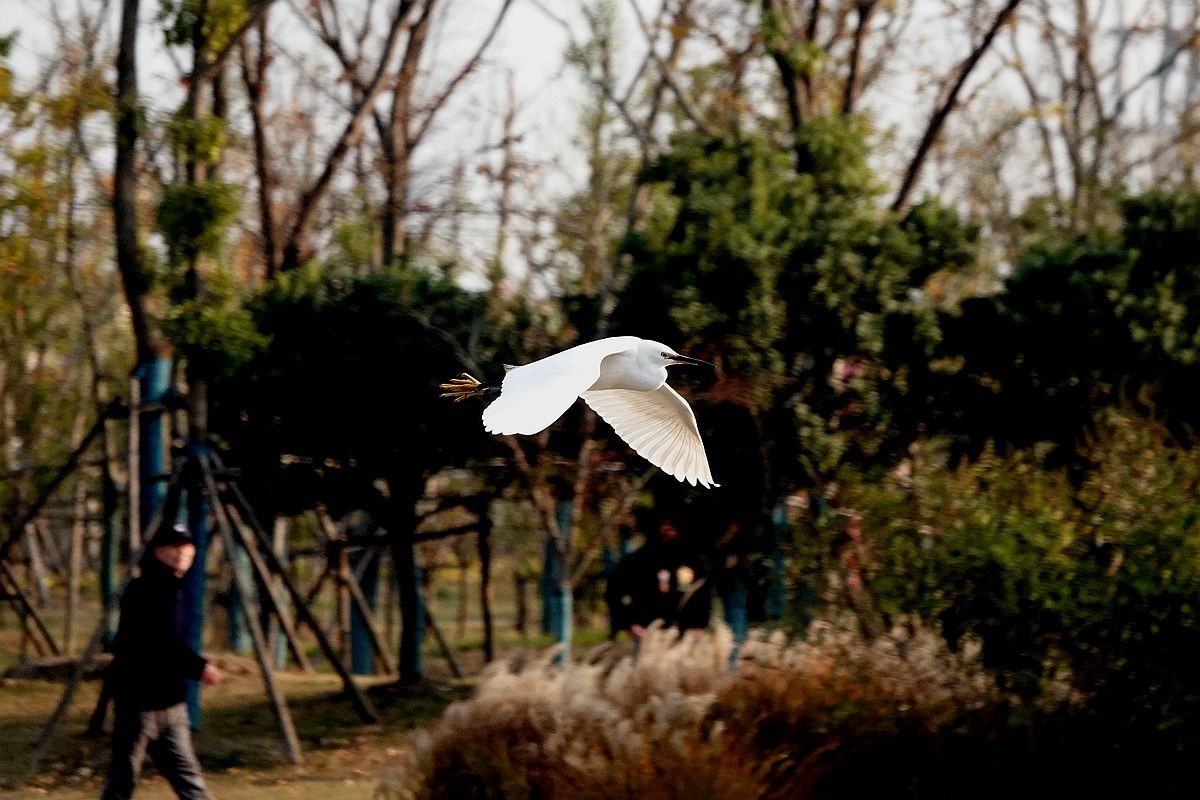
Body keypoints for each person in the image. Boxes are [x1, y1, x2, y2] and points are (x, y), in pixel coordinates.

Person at [100, 522, 223, 800]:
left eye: (186, 546)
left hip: (171, 704)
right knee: (123, 780)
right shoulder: (145, 590)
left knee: (189, 780)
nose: (181, 553)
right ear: (158, 552)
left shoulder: (174, 588)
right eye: (173, 547)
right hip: (138, 703)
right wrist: (200, 667)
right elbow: (160, 643)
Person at [605, 516, 711, 640]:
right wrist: (629, 624)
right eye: (663, 524)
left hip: (684, 636)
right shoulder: (637, 560)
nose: (666, 529)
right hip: (646, 634)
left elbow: (703, 594)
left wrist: (700, 624)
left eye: (671, 525)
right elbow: (613, 593)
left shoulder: (693, 560)